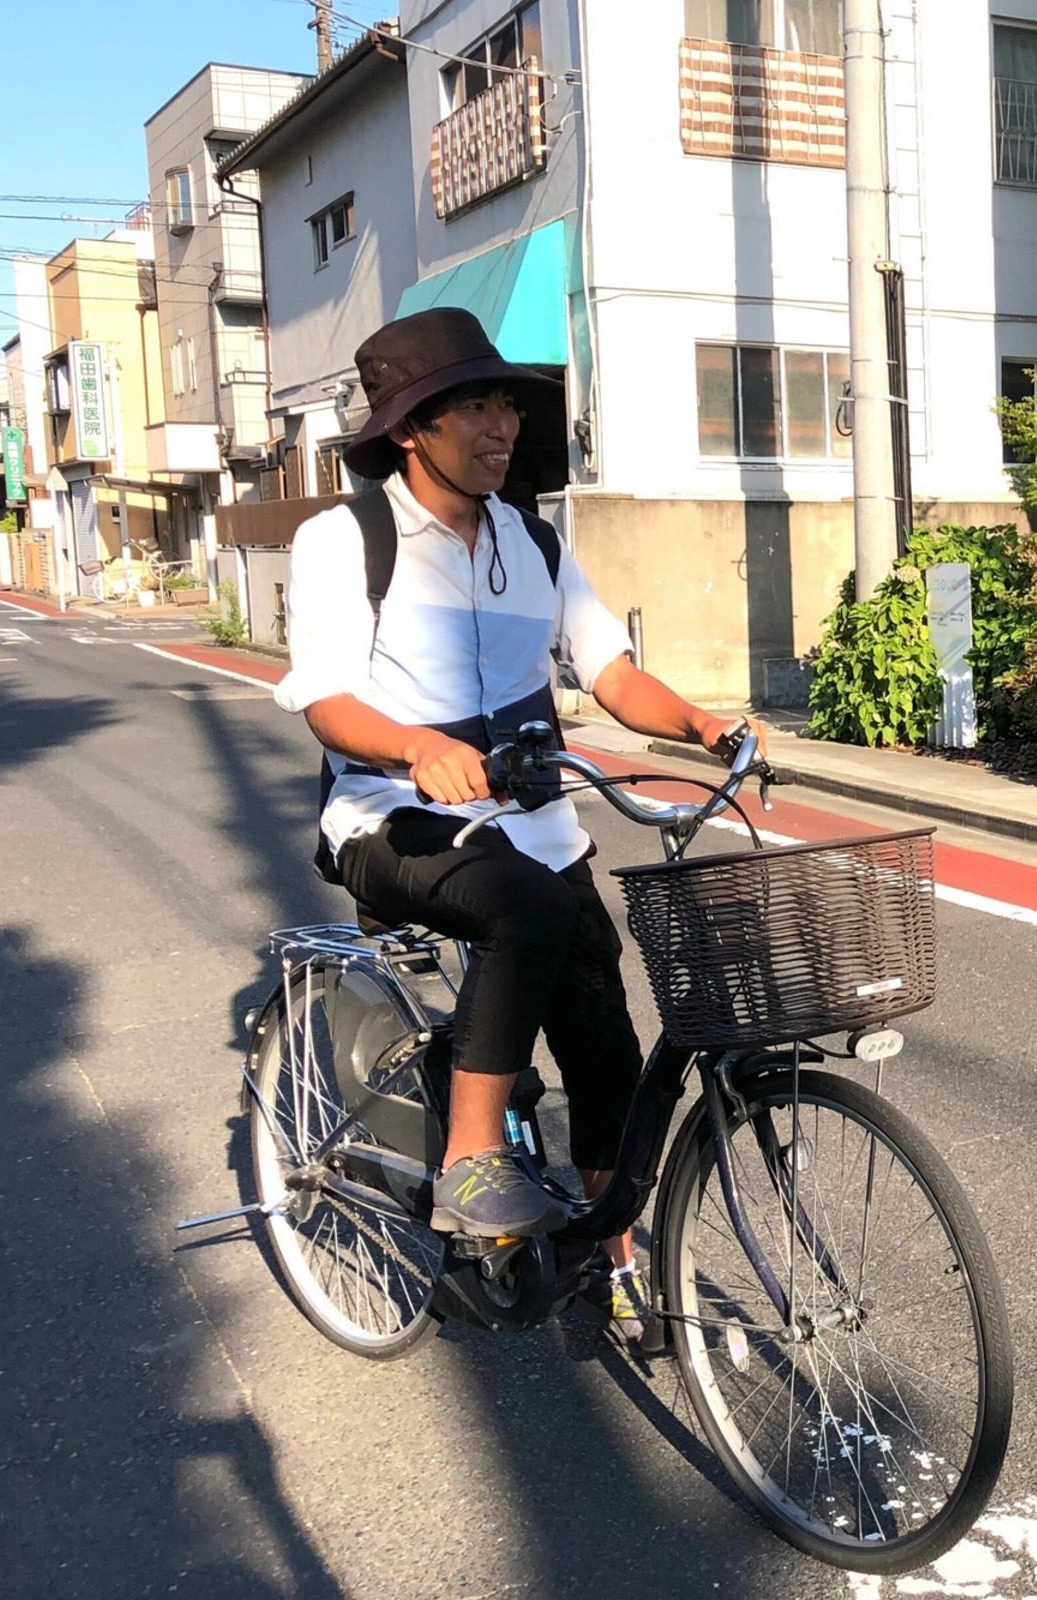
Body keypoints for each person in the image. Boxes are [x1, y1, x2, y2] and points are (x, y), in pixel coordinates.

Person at [274, 308, 763, 1348]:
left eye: (506, 403)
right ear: (413, 429)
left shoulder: (532, 540)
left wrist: (705, 725)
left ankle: (615, 1259)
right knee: (527, 914)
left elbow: (611, 671)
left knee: (609, 1059)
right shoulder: (346, 539)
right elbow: (323, 700)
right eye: (475, 405)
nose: (501, 424)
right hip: (392, 819)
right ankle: (467, 1164)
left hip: (536, 824)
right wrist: (414, 748)